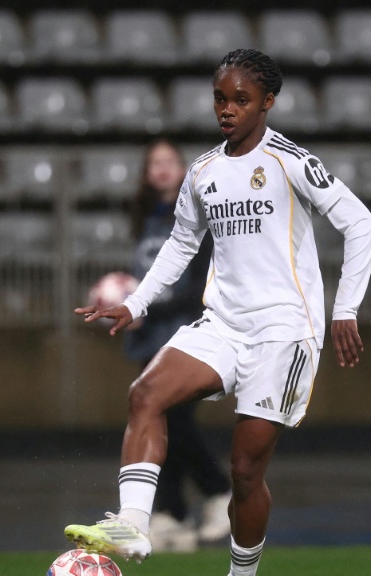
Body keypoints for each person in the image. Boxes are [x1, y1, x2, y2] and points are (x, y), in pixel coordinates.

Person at [64, 49, 371, 576]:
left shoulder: (291, 161)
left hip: (284, 331)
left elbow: (360, 222)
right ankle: (134, 526)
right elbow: (181, 244)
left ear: (267, 102)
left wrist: (345, 309)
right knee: (145, 395)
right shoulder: (203, 172)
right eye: (219, 99)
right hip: (224, 323)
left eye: (240, 99)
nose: (227, 110)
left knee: (244, 470)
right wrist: (135, 304)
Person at [125, 139, 232, 553]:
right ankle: (171, 514)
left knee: (175, 421)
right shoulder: (145, 218)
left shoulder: (197, 216)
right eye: (155, 162)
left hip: (187, 330)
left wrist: (148, 303)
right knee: (158, 420)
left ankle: (219, 491)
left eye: (170, 161)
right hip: (150, 335)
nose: (163, 169)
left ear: (183, 168)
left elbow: (201, 283)